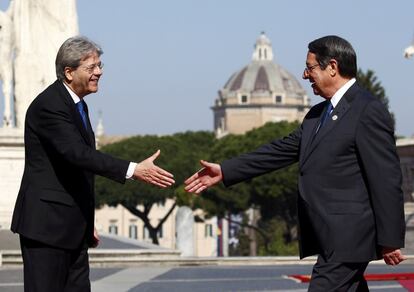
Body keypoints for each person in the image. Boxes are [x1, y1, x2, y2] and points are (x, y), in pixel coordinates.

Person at [185, 35, 405, 291]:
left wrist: (390, 238)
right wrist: (226, 170)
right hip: (328, 234)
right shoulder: (316, 115)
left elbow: (386, 178)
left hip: (349, 237)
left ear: (332, 67)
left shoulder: (367, 110)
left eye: (310, 68)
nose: (304, 75)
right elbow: (279, 151)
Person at [11, 36, 175, 292]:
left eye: (100, 65)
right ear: (68, 72)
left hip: (72, 228)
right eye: (91, 68)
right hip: (47, 228)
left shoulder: (78, 106)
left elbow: (76, 173)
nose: (99, 72)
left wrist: (85, 222)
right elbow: (77, 155)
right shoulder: (49, 106)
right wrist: (133, 169)